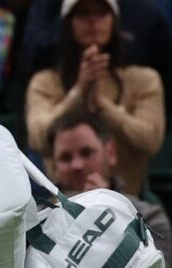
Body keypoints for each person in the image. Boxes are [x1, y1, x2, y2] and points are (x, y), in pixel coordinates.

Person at [25, 0, 165, 196]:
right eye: (82, 14)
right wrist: (78, 92)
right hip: (64, 203)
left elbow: (150, 140)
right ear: (68, 23)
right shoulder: (44, 82)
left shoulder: (144, 80)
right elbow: (37, 138)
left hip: (130, 200)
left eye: (101, 13)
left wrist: (102, 105)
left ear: (114, 21)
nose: (92, 21)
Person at [47, 110, 172, 268]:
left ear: (110, 153)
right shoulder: (39, 220)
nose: (76, 165)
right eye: (65, 157)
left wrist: (109, 207)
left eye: (86, 153)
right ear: (55, 168)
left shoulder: (150, 216)